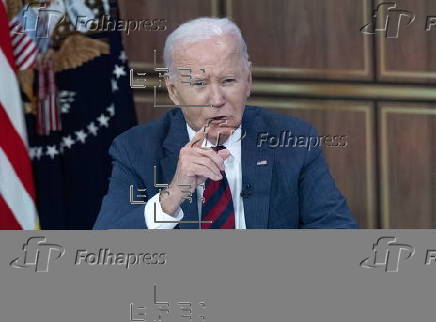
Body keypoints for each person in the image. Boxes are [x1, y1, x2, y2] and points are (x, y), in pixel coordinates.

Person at [93, 17, 358, 229]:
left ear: (248, 81)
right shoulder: (135, 149)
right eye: (200, 84)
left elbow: (337, 231)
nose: (217, 99)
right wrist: (173, 195)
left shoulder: (294, 140)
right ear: (173, 91)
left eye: (228, 81)